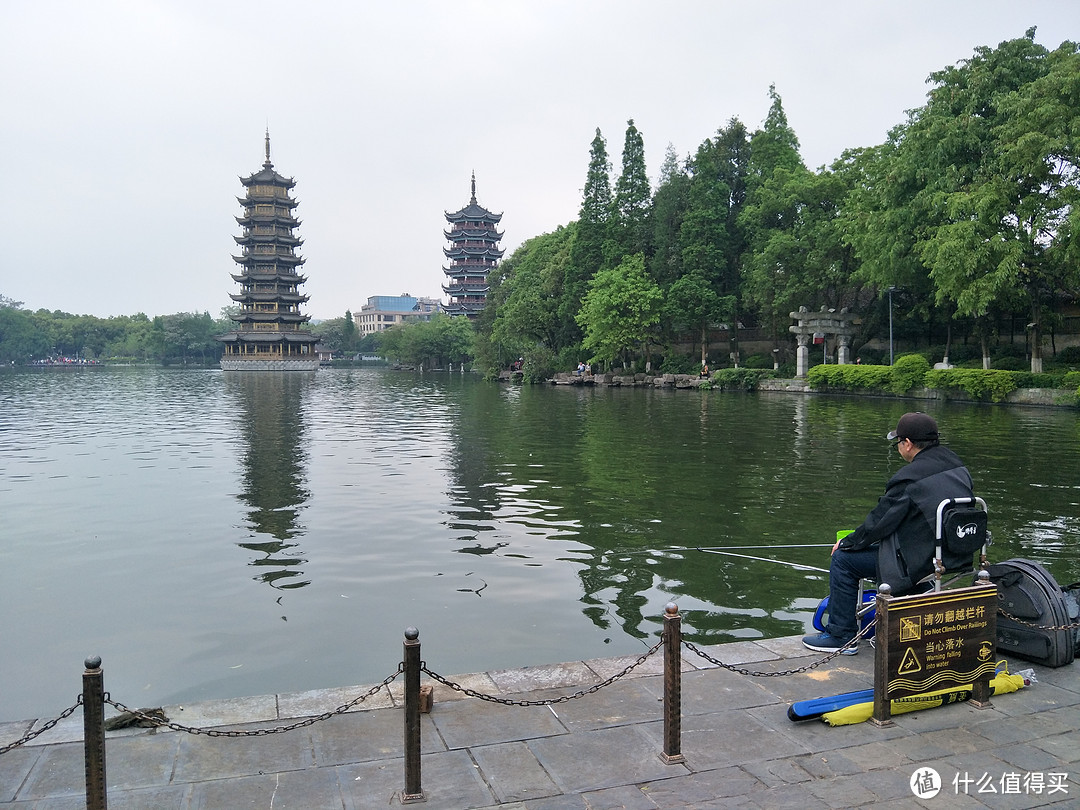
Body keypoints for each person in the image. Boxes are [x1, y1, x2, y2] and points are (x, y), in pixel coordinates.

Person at [801, 412, 973, 655]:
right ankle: (915, 604)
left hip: (921, 563)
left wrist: (847, 542)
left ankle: (841, 636)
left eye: (898, 443)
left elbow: (878, 523)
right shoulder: (957, 465)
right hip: (956, 556)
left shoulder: (909, 478)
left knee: (844, 561)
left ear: (908, 444)